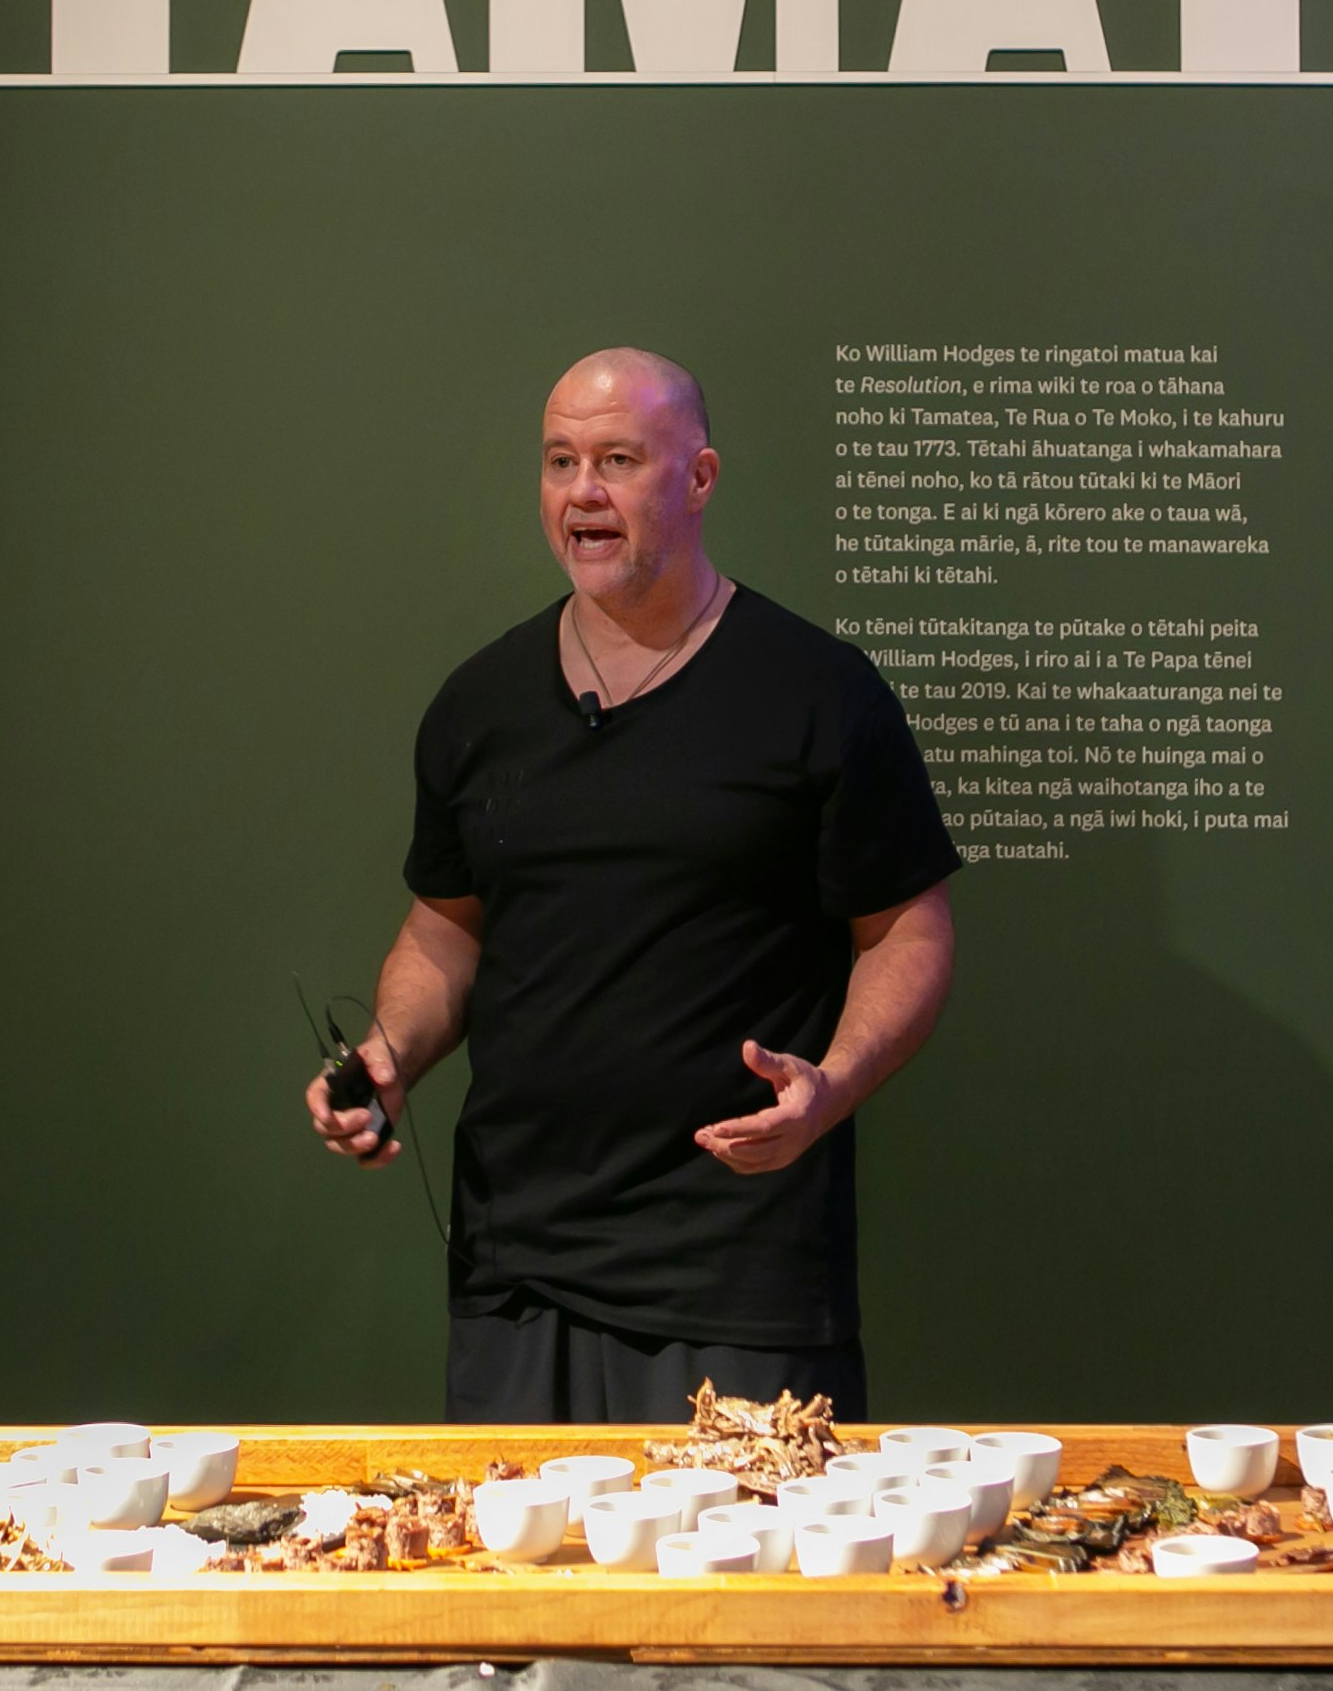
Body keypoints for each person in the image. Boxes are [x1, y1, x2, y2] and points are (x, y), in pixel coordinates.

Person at [303, 346, 960, 1422]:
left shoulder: (819, 691)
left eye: (617, 459)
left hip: (738, 1276)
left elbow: (905, 932)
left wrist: (833, 1083)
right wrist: (391, 1052)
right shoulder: (480, 703)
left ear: (698, 478)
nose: (582, 492)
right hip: (517, 1272)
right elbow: (446, 930)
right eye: (559, 461)